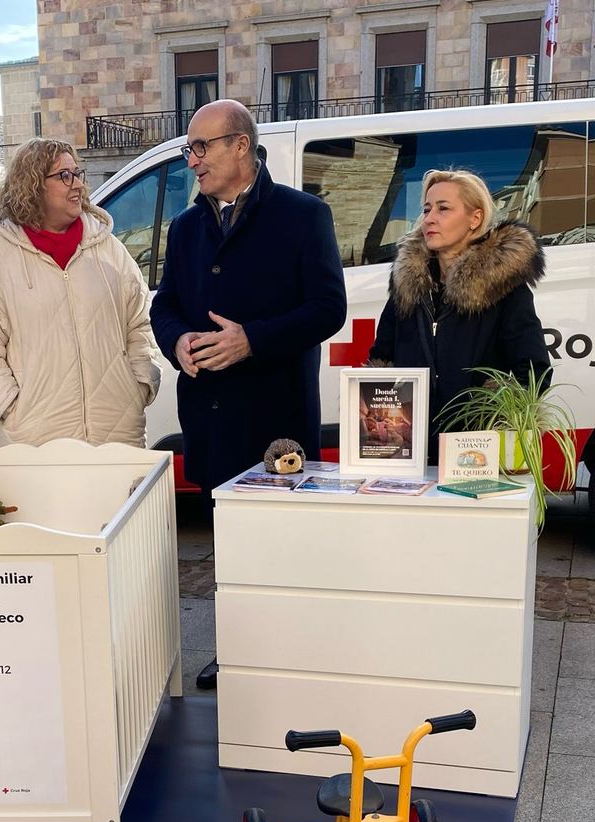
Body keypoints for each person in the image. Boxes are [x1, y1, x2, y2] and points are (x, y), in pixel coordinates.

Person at [149, 100, 346, 688]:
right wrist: (178, 341)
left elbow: (327, 308)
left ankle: (291, 655)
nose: (193, 161)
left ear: (241, 146)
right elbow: (165, 304)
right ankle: (235, 650)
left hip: (275, 418)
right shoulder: (186, 226)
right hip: (210, 416)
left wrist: (251, 341)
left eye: (201, 148)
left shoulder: (303, 215)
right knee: (228, 547)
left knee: (283, 546)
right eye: (190, 150)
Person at [0, 137, 161, 448]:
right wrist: (11, 407)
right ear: (33, 185)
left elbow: (140, 320)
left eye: (78, 173)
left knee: (115, 499)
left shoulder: (108, 249)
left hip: (116, 432)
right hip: (33, 439)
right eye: (64, 176)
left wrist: (139, 383)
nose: (77, 184)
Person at [366, 168, 551, 452]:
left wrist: (491, 420)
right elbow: (382, 361)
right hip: (408, 451)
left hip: (476, 454)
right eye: (427, 209)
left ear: (475, 219)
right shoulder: (407, 285)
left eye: (443, 209)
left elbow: (533, 370)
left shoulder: (505, 289)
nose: (429, 218)